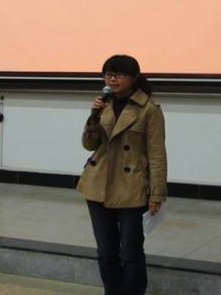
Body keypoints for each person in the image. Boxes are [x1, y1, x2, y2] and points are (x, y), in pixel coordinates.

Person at [76, 55, 167, 295]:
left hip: (132, 187)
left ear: (133, 78)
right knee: (106, 251)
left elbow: (157, 155)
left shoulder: (149, 110)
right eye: (108, 74)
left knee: (131, 252)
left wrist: (156, 193)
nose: (112, 79)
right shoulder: (103, 105)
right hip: (98, 185)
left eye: (118, 75)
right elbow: (89, 145)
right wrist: (93, 118)